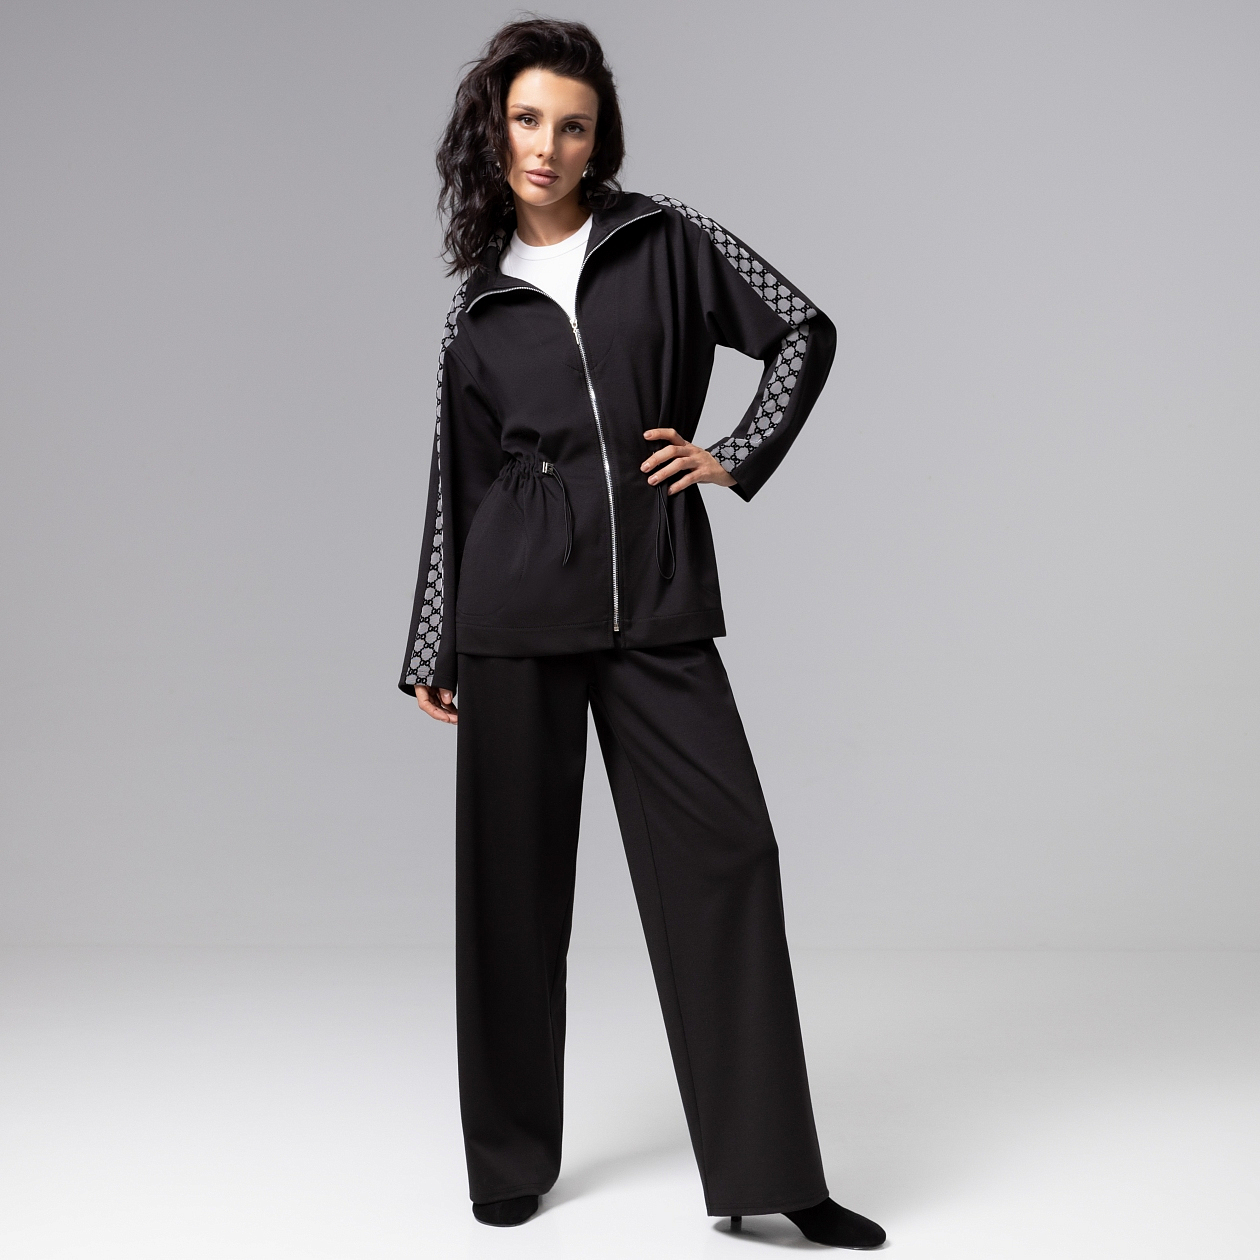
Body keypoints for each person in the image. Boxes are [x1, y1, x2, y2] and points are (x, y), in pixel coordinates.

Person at [399, 17, 886, 1250]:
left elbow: (802, 330)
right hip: (514, 613)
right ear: (493, 131)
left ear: (597, 139)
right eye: (526, 120)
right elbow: (459, 483)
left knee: (729, 857)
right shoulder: (477, 309)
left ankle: (772, 1172)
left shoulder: (666, 237)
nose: (547, 146)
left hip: (654, 601)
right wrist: (433, 644)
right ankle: (508, 1158)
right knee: (509, 893)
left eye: (571, 126)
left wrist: (735, 452)